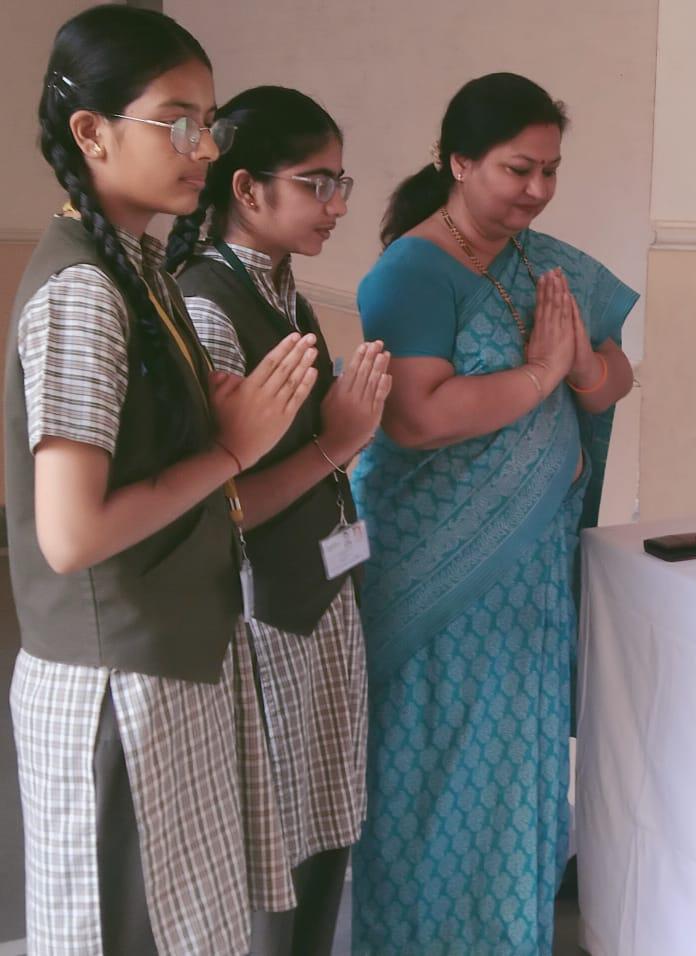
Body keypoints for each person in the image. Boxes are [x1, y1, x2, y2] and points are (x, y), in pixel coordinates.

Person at [6, 7, 320, 954]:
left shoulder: (137, 269)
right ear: (92, 132)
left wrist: (211, 433)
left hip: (166, 665)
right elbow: (71, 536)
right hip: (115, 684)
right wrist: (229, 451)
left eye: (209, 124)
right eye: (177, 123)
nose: (204, 149)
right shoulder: (84, 292)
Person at [350, 72, 638, 954]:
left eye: (550, 170)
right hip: (434, 580)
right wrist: (544, 374)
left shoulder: (549, 266)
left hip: (529, 579)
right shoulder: (411, 272)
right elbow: (417, 417)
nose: (538, 189)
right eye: (519, 169)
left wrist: (581, 366)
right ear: (458, 162)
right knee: (431, 775)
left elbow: (615, 378)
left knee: (520, 774)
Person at [167, 85, 390, 956]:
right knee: (273, 858)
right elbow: (216, 511)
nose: (336, 205)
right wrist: (340, 443)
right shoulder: (207, 305)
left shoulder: (280, 289)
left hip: (318, 602)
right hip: (262, 621)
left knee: (322, 834)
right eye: (315, 183)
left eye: (340, 183)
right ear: (246, 189)